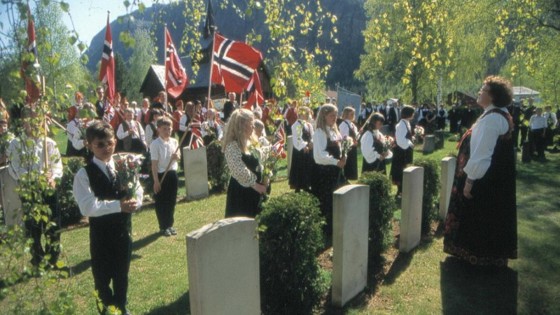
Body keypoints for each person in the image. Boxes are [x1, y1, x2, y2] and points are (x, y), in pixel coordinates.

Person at [444, 76, 516, 267]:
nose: (479, 92)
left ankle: (478, 254)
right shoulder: (495, 114)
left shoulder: (492, 119)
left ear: (492, 96)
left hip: (484, 179)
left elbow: (482, 153)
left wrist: (470, 181)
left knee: (479, 214)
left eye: (483, 90)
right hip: (492, 178)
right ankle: (485, 254)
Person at [73, 121, 142, 314]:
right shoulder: (84, 174)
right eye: (100, 145)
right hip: (101, 234)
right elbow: (87, 206)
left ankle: (121, 306)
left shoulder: (123, 164)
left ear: (115, 141)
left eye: (109, 143)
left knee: (122, 274)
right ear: (90, 145)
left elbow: (137, 188)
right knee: (102, 277)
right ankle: (105, 309)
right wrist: (118, 206)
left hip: (123, 230)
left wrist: (136, 201)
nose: (106, 148)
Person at [8, 112, 63, 267]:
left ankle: (53, 257)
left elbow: (57, 165)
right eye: (30, 120)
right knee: (33, 226)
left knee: (53, 223)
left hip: (49, 188)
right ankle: (37, 257)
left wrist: (53, 177)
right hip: (30, 189)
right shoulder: (16, 144)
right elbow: (15, 167)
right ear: (24, 122)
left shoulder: (49, 143)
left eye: (38, 120)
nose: (34, 124)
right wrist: (35, 178)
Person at [223, 109, 268, 218]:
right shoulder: (232, 146)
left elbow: (261, 160)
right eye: (251, 123)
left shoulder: (252, 141)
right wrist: (256, 185)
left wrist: (266, 175)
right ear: (242, 125)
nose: (253, 126)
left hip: (257, 191)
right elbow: (239, 169)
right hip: (241, 193)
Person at [312, 104, 346, 235]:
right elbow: (319, 156)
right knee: (326, 200)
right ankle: (327, 230)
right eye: (331, 115)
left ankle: (336, 225)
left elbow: (340, 149)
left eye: (336, 115)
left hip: (336, 171)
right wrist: (336, 161)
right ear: (324, 116)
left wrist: (344, 157)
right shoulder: (320, 132)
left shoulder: (334, 131)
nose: (334, 118)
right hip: (325, 172)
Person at [151, 117, 180, 237]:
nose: (167, 131)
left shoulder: (174, 142)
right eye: (164, 129)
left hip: (172, 173)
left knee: (171, 201)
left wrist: (176, 157)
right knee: (162, 201)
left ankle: (170, 224)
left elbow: (179, 157)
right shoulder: (155, 144)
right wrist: (156, 181)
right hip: (161, 174)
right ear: (158, 129)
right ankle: (163, 226)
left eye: (169, 129)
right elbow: (154, 164)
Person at [390, 105, 415, 196]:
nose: (413, 115)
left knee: (405, 168)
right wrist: (410, 143)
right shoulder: (401, 125)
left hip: (405, 150)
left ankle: (404, 188)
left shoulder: (406, 123)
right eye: (412, 113)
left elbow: (406, 136)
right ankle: (400, 190)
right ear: (408, 114)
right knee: (401, 169)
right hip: (401, 151)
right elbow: (400, 140)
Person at [289, 106, 314, 192]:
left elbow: (312, 135)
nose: (307, 115)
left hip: (309, 149)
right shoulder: (297, 125)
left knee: (308, 168)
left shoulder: (309, 125)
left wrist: (312, 143)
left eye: (308, 114)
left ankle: (307, 185)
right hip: (300, 151)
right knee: (300, 168)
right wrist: (304, 146)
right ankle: (298, 186)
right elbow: (297, 138)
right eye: (305, 114)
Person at [338, 106, 359, 180]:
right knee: (348, 164)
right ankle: (346, 178)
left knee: (352, 163)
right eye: (351, 114)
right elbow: (344, 137)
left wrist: (358, 136)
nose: (353, 115)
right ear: (346, 114)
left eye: (354, 114)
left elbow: (355, 135)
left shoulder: (352, 125)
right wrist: (352, 142)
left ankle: (350, 177)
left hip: (353, 147)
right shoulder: (343, 124)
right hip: (347, 148)